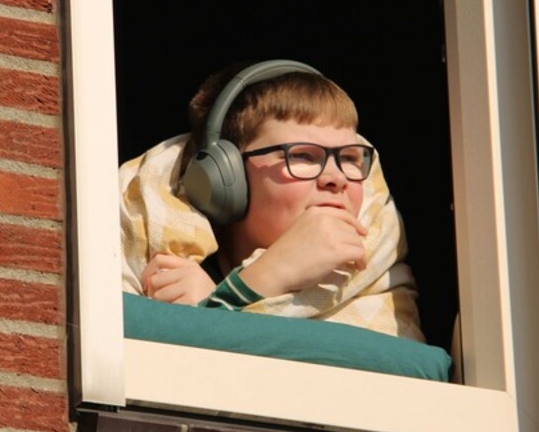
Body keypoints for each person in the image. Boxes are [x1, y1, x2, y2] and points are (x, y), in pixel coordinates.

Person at [119, 60, 424, 342]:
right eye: (303, 156)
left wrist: (245, 290)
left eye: (349, 158)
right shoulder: (176, 285)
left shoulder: (381, 290)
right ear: (226, 179)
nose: (337, 177)